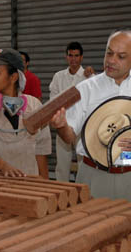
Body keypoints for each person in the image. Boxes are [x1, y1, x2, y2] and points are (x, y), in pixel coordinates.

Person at [50, 29, 131, 203]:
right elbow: (69, 135)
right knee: (91, 228)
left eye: (121, 56)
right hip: (92, 176)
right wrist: (61, 125)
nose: (111, 60)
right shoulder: (86, 88)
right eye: (109, 53)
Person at [0, 48, 52, 178]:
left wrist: (45, 186)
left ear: (13, 77)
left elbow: (41, 150)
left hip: (28, 184)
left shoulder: (34, 106)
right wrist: (3, 166)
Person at [49, 41, 95, 181]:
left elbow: (94, 99)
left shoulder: (88, 76)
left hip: (82, 126)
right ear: (66, 57)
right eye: (70, 55)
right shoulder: (58, 76)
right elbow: (53, 100)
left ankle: (83, 192)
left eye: (76, 56)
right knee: (62, 164)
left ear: (81, 57)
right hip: (63, 125)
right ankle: (61, 194)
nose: (73, 59)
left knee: (83, 162)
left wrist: (92, 75)